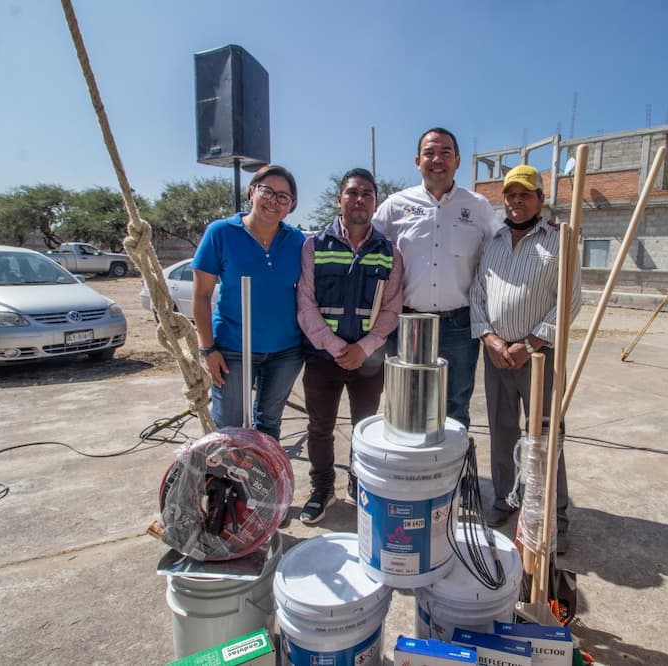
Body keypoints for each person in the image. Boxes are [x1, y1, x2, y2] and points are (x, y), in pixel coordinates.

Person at [469, 164, 582, 555]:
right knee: (502, 433)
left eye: (525, 194)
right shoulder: (493, 241)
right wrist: (491, 338)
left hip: (539, 357)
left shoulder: (559, 241)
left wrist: (529, 343)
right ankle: (504, 502)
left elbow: (570, 301)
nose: (517, 201)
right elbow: (477, 295)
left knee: (545, 438)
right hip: (497, 355)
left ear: (541, 199)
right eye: (511, 195)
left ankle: (556, 518)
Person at [296, 168, 404, 524]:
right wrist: (334, 346)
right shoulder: (314, 245)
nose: (360, 199)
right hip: (322, 358)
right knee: (320, 427)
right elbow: (306, 303)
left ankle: (360, 484)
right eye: (353, 192)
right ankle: (322, 488)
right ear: (340, 198)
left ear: (375, 202)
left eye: (367, 194)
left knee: (365, 427)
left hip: (369, 361)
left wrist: (364, 348)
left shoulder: (389, 252)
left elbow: (391, 309)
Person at [373, 127, 499, 429]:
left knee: (455, 404)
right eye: (429, 152)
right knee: (405, 405)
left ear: (457, 160)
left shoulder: (478, 206)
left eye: (445, 152)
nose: (437, 159)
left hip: (458, 326)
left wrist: (544, 231)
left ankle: (452, 475)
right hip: (406, 325)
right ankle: (411, 473)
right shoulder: (396, 205)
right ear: (418, 161)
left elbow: (505, 244)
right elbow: (362, 239)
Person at [192, 164, 305, 439]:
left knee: (268, 427)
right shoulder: (220, 233)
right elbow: (201, 295)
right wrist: (208, 349)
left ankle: (262, 481)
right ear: (251, 192)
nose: (273, 201)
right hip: (232, 349)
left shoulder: (297, 241)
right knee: (230, 430)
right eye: (267, 191)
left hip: (286, 351)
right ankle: (227, 482)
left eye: (283, 197)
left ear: (291, 206)